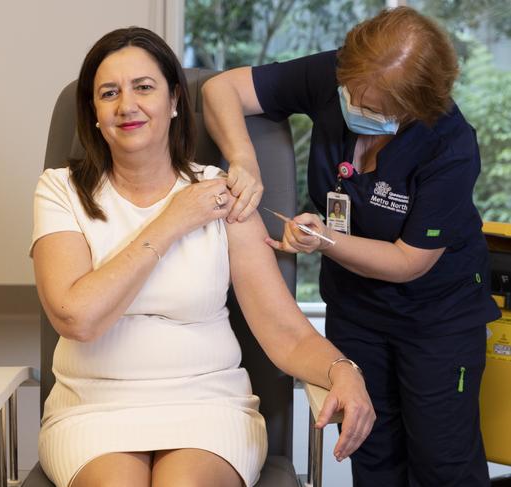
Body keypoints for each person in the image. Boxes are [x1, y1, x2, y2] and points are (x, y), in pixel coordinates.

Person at [31, 27, 374, 487]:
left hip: (207, 405)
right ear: (93, 112)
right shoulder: (60, 190)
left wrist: (343, 371)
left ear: (174, 101)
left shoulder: (221, 193)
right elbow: (78, 319)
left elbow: (284, 331)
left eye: (144, 88)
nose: (126, 105)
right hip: (92, 405)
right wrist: (174, 218)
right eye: (108, 92)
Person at [202, 6, 501, 487]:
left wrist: (325, 240)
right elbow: (220, 88)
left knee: (442, 462)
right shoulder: (337, 72)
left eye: (377, 108)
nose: (356, 109)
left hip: (437, 319)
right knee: (373, 456)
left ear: (416, 108)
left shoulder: (450, 145)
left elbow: (409, 262)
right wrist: (244, 160)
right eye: (351, 95)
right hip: (356, 310)